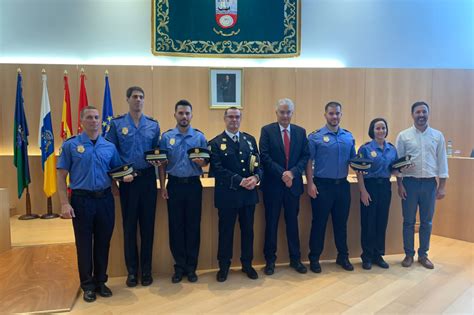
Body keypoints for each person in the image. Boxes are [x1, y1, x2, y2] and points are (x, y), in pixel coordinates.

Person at [57, 106, 133, 302]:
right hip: (81, 200)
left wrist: (124, 178)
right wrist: (65, 204)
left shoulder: (109, 146)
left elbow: (115, 171)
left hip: (105, 200)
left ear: (101, 121)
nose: (94, 121)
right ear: (82, 121)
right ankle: (87, 285)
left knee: (103, 242)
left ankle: (100, 281)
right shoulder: (71, 145)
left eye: (97, 117)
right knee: (83, 245)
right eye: (89, 117)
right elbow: (61, 176)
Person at [105, 86, 160, 287]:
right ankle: (131, 272)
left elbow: (157, 153)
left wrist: (157, 162)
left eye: (141, 97)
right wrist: (114, 181)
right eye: (135, 97)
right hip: (127, 181)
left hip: (147, 179)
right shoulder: (117, 124)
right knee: (129, 227)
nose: (138, 100)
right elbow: (109, 153)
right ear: (127, 99)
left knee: (148, 227)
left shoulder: (153, 125)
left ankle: (146, 271)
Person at [209, 107, 263, 282]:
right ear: (224, 119)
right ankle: (224, 266)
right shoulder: (215, 143)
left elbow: (259, 165)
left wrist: (256, 177)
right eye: (230, 117)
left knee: (248, 231)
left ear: (241, 119)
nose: (234, 120)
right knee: (226, 232)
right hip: (227, 196)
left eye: (237, 117)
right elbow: (217, 169)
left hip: (248, 195)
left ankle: (247, 264)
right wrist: (240, 180)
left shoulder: (250, 140)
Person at [158, 99, 208, 283]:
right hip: (175, 186)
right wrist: (163, 186)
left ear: (191, 115)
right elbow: (161, 164)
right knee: (176, 227)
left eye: (187, 113)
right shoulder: (166, 137)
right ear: (175, 115)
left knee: (193, 227)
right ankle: (179, 267)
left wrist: (202, 162)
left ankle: (191, 268)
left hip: (194, 185)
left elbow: (206, 161)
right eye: (181, 113)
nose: (184, 116)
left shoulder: (199, 137)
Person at [259, 98, 310, 275]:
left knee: (292, 224)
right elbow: (264, 157)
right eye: (282, 112)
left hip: (293, 186)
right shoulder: (267, 131)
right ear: (276, 113)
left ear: (292, 113)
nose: (285, 115)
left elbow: (305, 157)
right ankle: (270, 261)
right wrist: (283, 174)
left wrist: (293, 173)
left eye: (288, 112)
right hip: (273, 186)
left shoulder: (300, 132)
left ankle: (295, 259)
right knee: (271, 224)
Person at [396, 101, 448, 269]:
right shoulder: (403, 136)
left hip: (429, 185)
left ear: (428, 114)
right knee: (408, 221)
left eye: (424, 112)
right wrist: (400, 184)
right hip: (409, 183)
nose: (421, 115)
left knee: (427, 222)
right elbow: (397, 164)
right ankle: (408, 254)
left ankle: (423, 255)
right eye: (417, 112)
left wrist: (442, 186)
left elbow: (442, 162)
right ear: (412, 115)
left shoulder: (437, 136)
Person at [306, 101, 356, 273]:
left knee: (341, 224)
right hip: (322, 186)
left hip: (342, 186)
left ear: (341, 115)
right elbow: (309, 161)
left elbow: (354, 161)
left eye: (337, 113)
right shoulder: (315, 137)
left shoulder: (348, 137)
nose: (334, 116)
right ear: (325, 115)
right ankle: (314, 258)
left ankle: (343, 256)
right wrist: (310, 183)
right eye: (331, 113)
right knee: (319, 223)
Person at [356, 118, 400, 270]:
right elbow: (359, 172)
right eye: (378, 128)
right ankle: (366, 256)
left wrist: (402, 169)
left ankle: (378, 254)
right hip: (370, 187)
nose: (381, 131)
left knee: (381, 221)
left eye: (383, 128)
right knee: (368, 222)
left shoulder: (392, 149)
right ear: (372, 131)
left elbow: (393, 170)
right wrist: (363, 191)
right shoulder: (365, 149)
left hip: (385, 187)